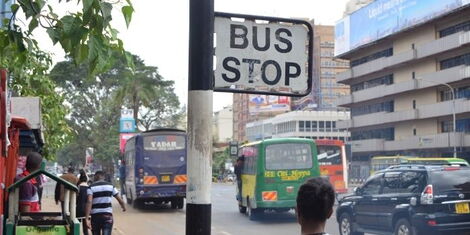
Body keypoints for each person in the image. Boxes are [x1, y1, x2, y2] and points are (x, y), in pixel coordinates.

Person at [85, 171, 126, 235]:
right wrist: (123, 207)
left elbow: (89, 201)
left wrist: (87, 218)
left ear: (96, 177)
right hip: (107, 216)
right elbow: (119, 199)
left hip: (95, 217)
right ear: (103, 177)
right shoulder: (111, 186)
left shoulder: (90, 187)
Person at [77, 169, 90, 235]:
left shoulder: (78, 187)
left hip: (78, 209)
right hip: (87, 210)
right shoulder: (89, 188)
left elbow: (76, 198)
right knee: (85, 227)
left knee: (76, 225)